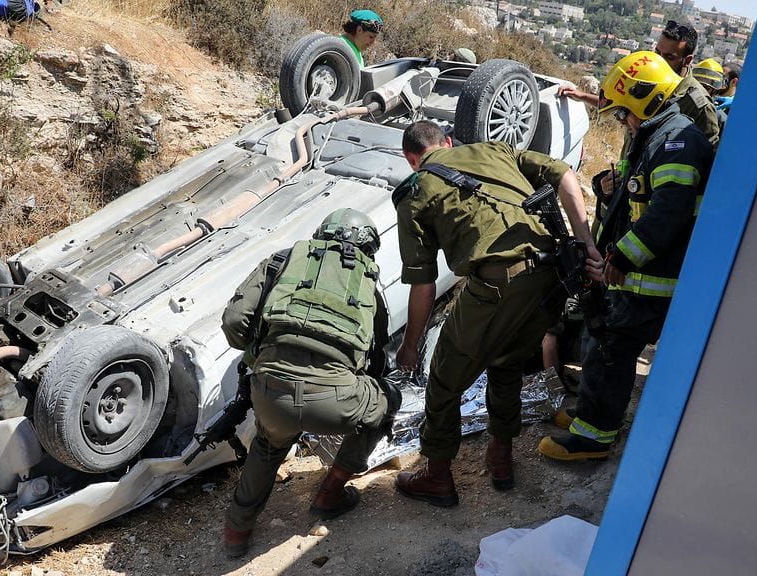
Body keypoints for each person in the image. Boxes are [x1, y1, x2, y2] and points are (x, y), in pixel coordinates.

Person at [391, 121, 598, 506]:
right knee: (508, 362)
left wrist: (410, 346)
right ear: (448, 142)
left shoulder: (416, 191)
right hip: (552, 277)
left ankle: (436, 476)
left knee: (444, 380)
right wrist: (587, 244)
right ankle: (501, 458)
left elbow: (423, 286)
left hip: (496, 287)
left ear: (411, 160)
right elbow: (565, 173)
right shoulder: (497, 150)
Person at [538, 51, 714, 461]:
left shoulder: (676, 143)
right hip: (643, 276)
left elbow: (666, 215)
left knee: (610, 349)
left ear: (646, 102)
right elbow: (642, 195)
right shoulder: (661, 135)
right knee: (606, 346)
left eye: (625, 114)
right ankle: (589, 415)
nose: (623, 122)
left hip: (651, 280)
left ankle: (593, 437)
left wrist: (621, 259)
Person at [220, 208, 399, 558]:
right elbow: (378, 364)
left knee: (268, 446)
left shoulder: (280, 263)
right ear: (368, 249)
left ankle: (236, 532)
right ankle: (330, 492)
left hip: (272, 395)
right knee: (387, 399)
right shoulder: (368, 288)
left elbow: (234, 323)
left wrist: (262, 348)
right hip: (335, 402)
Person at [560, 20, 719, 148]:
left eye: (669, 57)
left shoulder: (698, 105)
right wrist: (580, 96)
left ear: (688, 60)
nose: (659, 60)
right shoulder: (647, 74)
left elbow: (707, 156)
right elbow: (624, 104)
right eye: (658, 53)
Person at [692, 58, 729, 132]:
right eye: (697, 86)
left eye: (706, 88)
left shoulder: (719, 118)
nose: (700, 91)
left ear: (714, 90)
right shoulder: (679, 107)